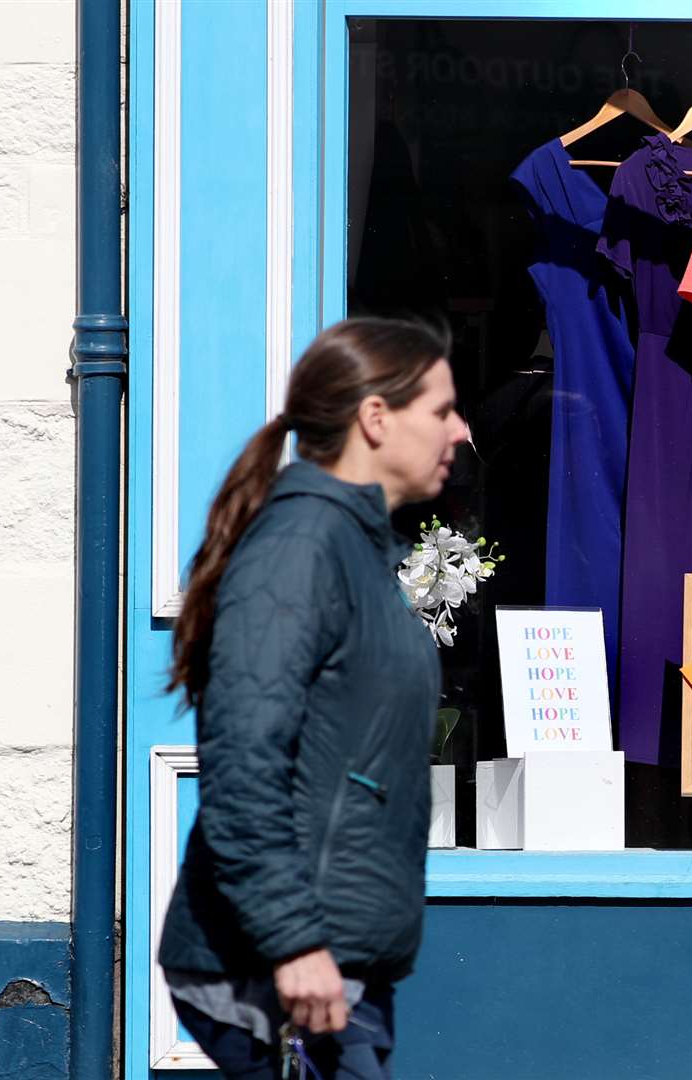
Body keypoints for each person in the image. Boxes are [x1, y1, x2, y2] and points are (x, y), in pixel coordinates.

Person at [158, 318, 468, 1078]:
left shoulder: (359, 552)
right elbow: (240, 763)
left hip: (336, 966)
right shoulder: (301, 549)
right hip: (280, 968)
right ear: (374, 417)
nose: (460, 432)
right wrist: (293, 940)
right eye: (440, 410)